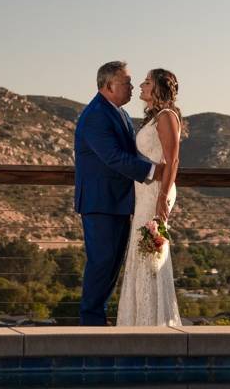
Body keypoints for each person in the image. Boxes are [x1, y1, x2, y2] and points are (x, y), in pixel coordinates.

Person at [74, 61, 163, 326]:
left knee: (111, 266)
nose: (132, 87)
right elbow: (113, 157)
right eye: (127, 82)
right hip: (101, 203)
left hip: (119, 202)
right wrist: (153, 171)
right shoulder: (96, 116)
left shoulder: (119, 113)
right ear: (109, 85)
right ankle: (90, 325)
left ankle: (98, 322)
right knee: (101, 264)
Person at [117, 68, 183, 326]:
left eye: (146, 82)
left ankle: (154, 321)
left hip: (156, 192)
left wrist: (162, 198)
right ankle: (139, 319)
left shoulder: (167, 116)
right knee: (142, 251)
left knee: (150, 252)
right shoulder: (154, 118)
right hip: (144, 192)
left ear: (157, 88)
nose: (141, 86)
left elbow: (173, 159)